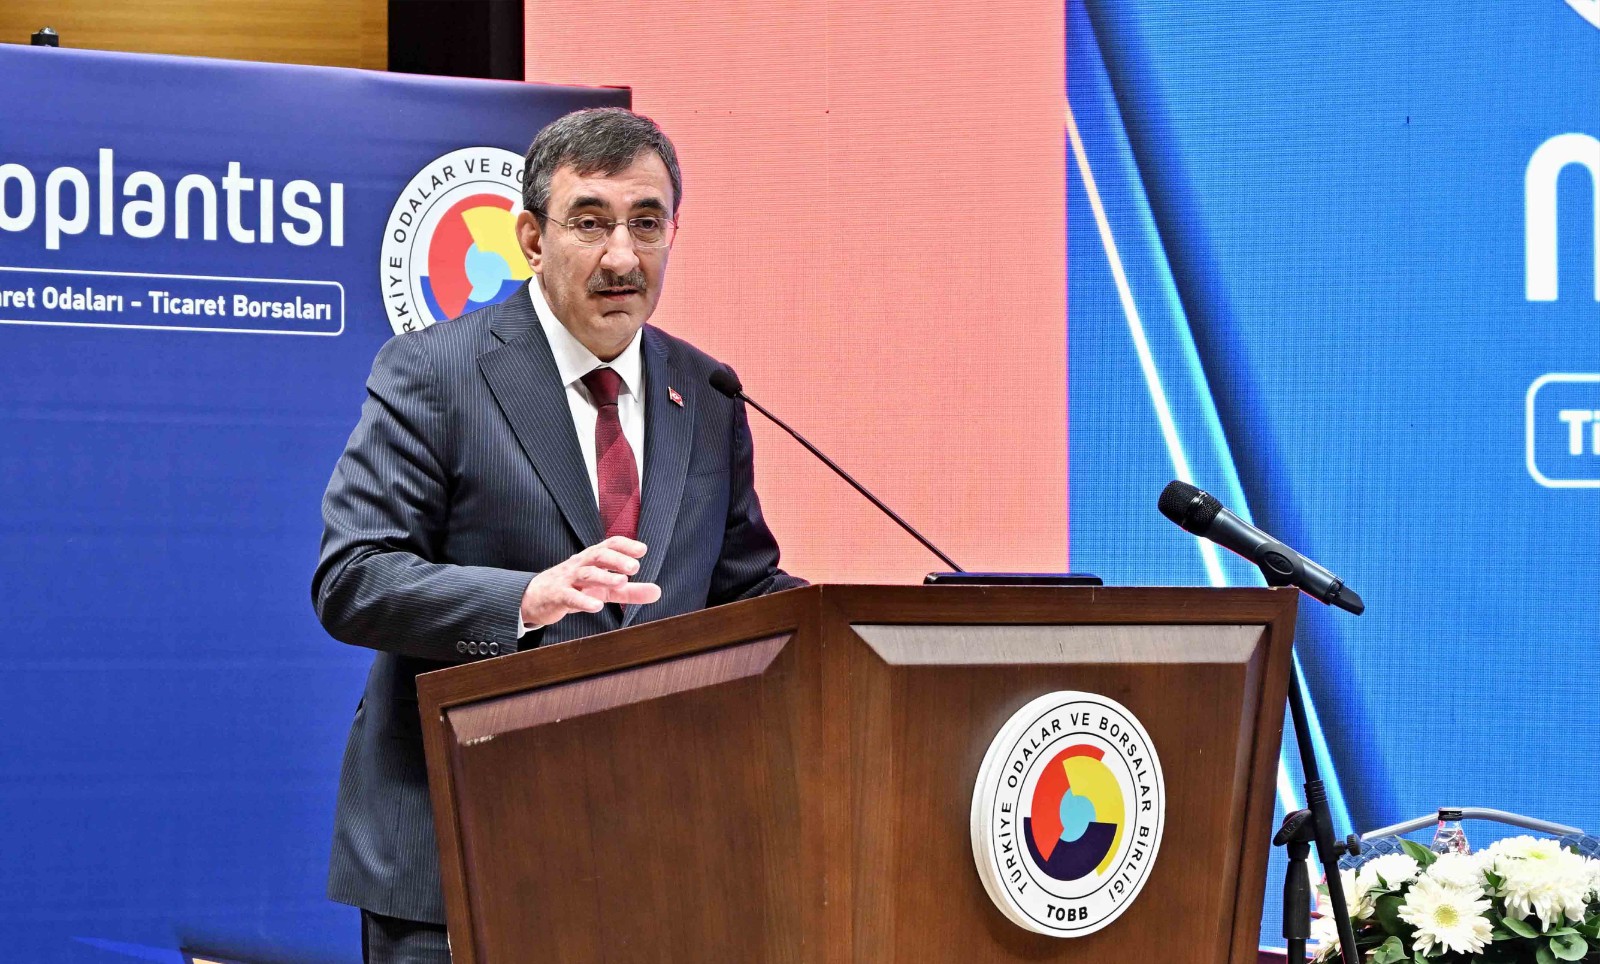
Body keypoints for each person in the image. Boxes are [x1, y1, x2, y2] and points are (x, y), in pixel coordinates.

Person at [312, 107, 804, 964]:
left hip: (648, 859)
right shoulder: (436, 372)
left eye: (646, 223)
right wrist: (525, 600)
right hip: (455, 852)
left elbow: (741, 590)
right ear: (533, 240)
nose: (622, 257)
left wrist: (857, 625)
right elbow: (354, 578)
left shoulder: (706, 393)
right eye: (591, 222)